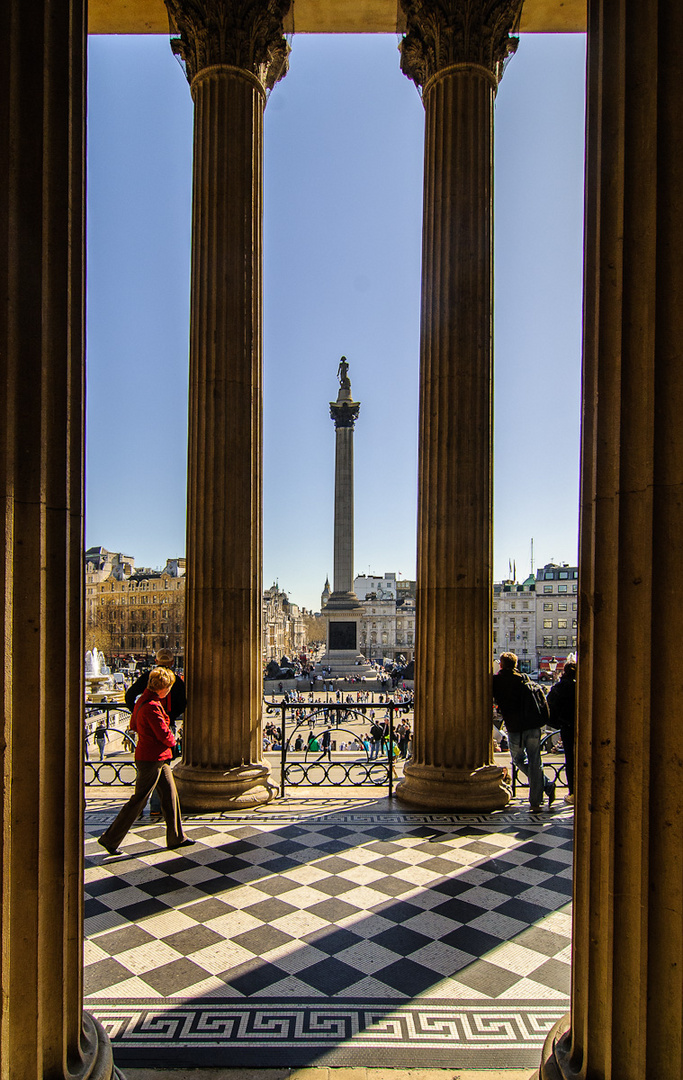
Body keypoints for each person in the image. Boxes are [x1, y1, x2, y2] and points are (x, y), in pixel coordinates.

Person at [98, 667, 190, 855]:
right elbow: (164, 735)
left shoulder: (143, 701)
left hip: (158, 757)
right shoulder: (152, 706)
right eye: (169, 687)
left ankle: (176, 837)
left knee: (170, 796)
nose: (170, 691)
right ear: (162, 688)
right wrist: (174, 739)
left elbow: (133, 724)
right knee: (139, 800)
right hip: (152, 758)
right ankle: (110, 839)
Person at [125, 648, 186, 820]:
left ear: (156, 661)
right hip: (164, 727)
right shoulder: (175, 681)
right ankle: (155, 808)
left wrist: (138, 712)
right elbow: (182, 703)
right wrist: (171, 716)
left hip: (146, 731)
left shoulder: (147, 679)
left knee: (153, 777)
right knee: (155, 772)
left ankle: (174, 831)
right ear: (172, 663)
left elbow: (130, 696)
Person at [492, 652, 556, 810]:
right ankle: (536, 800)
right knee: (535, 762)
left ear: (501, 664)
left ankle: (547, 785)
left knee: (519, 760)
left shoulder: (497, 681)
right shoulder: (524, 678)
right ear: (516, 664)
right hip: (533, 726)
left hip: (515, 727)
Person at [547, 660, 577, 804]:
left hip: (567, 727)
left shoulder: (559, 688)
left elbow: (549, 708)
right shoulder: (582, 686)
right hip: (583, 727)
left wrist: (558, 723)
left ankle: (573, 792)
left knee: (570, 761)